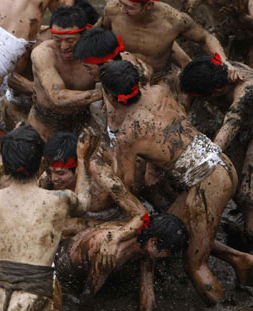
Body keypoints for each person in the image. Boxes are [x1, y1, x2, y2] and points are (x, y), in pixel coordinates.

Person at [100, 60, 239, 305]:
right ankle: (242, 262)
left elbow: (128, 186)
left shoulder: (128, 135)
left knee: (194, 264)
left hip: (207, 185)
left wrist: (106, 163)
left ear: (110, 96)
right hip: (221, 162)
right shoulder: (159, 91)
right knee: (172, 228)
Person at [0, 125, 97, 311]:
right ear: (42, 162)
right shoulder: (59, 200)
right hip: (33, 296)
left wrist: (10, 148)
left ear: (6, 164)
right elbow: (84, 202)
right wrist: (82, 159)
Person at [180, 55, 253, 243]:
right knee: (235, 182)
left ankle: (250, 238)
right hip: (242, 126)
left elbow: (229, 128)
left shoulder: (245, 89)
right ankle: (246, 226)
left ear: (218, 90)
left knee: (247, 192)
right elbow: (180, 112)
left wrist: (197, 166)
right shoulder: (208, 73)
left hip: (242, 123)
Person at [55, 213, 188, 310]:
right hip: (66, 268)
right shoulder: (112, 255)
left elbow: (147, 293)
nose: (168, 257)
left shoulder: (142, 239)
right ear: (153, 242)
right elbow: (87, 295)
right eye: (169, 252)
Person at [102, 0, 241, 89]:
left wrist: (223, 61)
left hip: (159, 79)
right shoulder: (112, 9)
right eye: (121, 3)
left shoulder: (173, 20)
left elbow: (205, 37)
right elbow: (98, 34)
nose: (122, 10)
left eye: (129, 7)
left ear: (149, 5)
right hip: (120, 78)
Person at [28, 6, 102, 141]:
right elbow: (57, 96)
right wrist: (102, 94)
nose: (63, 46)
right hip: (44, 123)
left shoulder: (96, 51)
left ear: (84, 35)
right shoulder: (43, 53)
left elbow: (125, 63)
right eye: (57, 39)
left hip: (82, 122)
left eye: (70, 40)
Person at [41, 132, 148, 222]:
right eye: (50, 172)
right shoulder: (47, 178)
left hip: (112, 222)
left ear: (78, 167)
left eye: (61, 173)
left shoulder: (101, 175)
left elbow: (141, 214)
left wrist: (119, 235)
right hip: (75, 226)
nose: (54, 178)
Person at [185, 0, 253, 67]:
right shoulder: (214, 5)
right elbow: (222, 39)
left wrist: (244, 18)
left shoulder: (248, 2)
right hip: (238, 45)